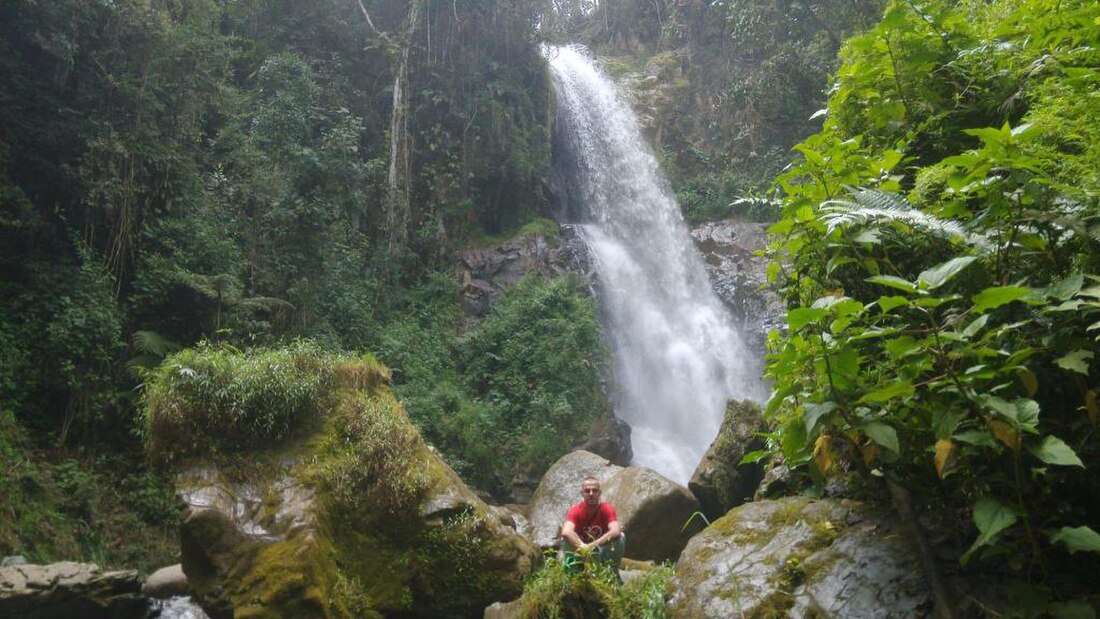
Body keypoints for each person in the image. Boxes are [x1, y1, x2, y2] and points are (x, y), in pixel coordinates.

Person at [560, 476, 624, 571]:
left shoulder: (606, 509)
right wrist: (583, 547)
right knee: (565, 538)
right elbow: (566, 531)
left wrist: (591, 546)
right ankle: (573, 572)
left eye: (594, 490)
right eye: (587, 491)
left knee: (620, 537)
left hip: (600, 552)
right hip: (580, 552)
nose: (591, 494)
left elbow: (615, 531)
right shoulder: (576, 510)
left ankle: (611, 572)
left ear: (599, 493)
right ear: (582, 493)